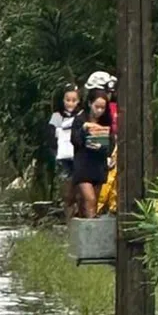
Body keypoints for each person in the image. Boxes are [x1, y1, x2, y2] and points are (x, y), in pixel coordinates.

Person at [71, 89, 114, 218]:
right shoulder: (80, 120)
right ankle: (90, 232)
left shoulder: (106, 121)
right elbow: (75, 141)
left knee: (93, 203)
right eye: (97, 107)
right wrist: (84, 130)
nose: (99, 111)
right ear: (90, 104)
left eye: (102, 108)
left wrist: (103, 147)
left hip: (99, 166)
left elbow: (110, 144)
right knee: (90, 199)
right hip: (84, 166)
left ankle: (88, 228)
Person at [47, 84, 82, 220]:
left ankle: (79, 215)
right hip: (62, 158)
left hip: (79, 157)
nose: (70, 103)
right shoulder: (56, 117)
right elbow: (50, 137)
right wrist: (54, 153)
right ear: (63, 100)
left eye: (74, 100)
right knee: (67, 191)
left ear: (78, 101)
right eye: (68, 100)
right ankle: (68, 219)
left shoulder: (81, 116)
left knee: (80, 189)